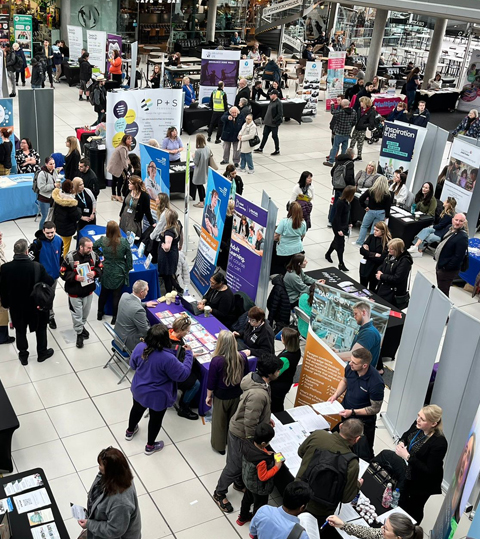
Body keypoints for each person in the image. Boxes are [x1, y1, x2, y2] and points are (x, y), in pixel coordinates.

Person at [213, 354, 283, 513]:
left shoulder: (257, 380)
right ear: (270, 373)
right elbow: (250, 422)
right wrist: (254, 444)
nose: (279, 372)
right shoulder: (258, 394)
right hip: (242, 434)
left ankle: (239, 484)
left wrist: (266, 418)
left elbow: (255, 412)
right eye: (278, 370)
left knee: (240, 463)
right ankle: (219, 492)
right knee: (234, 465)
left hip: (244, 431)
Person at [126, 324, 194, 455]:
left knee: (136, 409)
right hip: (158, 396)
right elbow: (183, 375)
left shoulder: (140, 347)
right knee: (155, 420)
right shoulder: (168, 358)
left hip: (139, 389)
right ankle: (150, 446)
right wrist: (189, 355)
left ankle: (130, 431)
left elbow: (133, 365)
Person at [297, 419, 364, 526]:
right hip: (321, 509)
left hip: (297, 492)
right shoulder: (352, 462)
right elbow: (346, 498)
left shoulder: (318, 435)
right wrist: (357, 485)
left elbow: (301, 452)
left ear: (340, 426)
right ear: (357, 439)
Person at [0, 239, 54, 365]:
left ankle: (23, 356)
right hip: (36, 305)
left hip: (17, 307)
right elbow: (50, 281)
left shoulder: (5, 268)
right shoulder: (36, 266)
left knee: (20, 331)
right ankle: (42, 353)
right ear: (27, 251)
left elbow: (2, 289)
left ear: (14, 252)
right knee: (41, 329)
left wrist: (6, 304)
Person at [394, 405, 448, 523]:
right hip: (410, 472)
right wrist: (402, 442)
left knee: (415, 508)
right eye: (418, 415)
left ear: (433, 424)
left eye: (422, 419)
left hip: (423, 483)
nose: (418, 419)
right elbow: (406, 435)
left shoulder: (439, 443)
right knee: (403, 499)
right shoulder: (418, 424)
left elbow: (429, 470)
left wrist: (407, 456)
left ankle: (413, 529)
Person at [329, 347, 385, 458]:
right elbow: (345, 381)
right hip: (347, 413)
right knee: (343, 442)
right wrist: (336, 395)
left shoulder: (376, 383)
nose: (350, 364)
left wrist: (353, 412)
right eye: (350, 360)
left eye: (354, 363)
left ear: (364, 365)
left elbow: (375, 408)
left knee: (363, 450)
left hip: (363, 422)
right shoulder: (350, 368)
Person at [78, 447, 141, 538]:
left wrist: (90, 524)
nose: (99, 467)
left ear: (111, 471)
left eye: (101, 465)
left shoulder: (121, 502)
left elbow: (114, 530)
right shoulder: (117, 476)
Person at [207, 330, 250, 454]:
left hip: (221, 396)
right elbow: (246, 376)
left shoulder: (216, 361)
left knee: (219, 423)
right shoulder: (242, 357)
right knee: (234, 421)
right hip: (237, 394)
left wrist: (208, 397)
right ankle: (232, 443)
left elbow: (211, 382)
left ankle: (219, 446)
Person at [60, 237, 103, 348]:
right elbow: (62, 273)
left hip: (88, 292)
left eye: (91, 247)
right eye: (88, 248)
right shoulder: (70, 257)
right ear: (81, 247)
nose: (91, 249)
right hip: (74, 293)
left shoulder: (94, 256)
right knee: (77, 315)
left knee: (85, 314)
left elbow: (101, 268)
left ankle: (81, 326)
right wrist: (75, 277)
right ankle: (79, 334)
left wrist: (94, 273)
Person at [237, 423, 282, 526]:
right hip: (259, 488)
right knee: (259, 507)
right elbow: (263, 476)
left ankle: (242, 518)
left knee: (247, 500)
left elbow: (258, 450)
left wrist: (266, 452)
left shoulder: (248, 443)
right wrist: (277, 466)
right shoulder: (261, 461)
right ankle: (256, 527)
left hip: (248, 481)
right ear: (263, 443)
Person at [93, 221, 133, 323]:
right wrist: (127, 268)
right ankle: (115, 318)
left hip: (106, 270)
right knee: (116, 295)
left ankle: (99, 313)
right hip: (119, 271)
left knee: (103, 293)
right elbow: (129, 258)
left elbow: (93, 247)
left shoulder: (103, 240)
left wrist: (101, 254)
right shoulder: (124, 242)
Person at [28, 221, 64, 330]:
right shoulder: (37, 244)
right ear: (43, 231)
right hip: (42, 277)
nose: (50, 235)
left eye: (52, 232)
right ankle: (45, 316)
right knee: (40, 297)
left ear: (55, 230)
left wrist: (61, 270)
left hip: (54, 276)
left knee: (50, 297)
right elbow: (30, 261)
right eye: (47, 233)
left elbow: (61, 256)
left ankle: (50, 315)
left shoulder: (59, 240)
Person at [169, 315, 201, 420]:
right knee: (196, 384)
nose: (187, 333)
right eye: (187, 331)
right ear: (181, 330)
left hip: (169, 370)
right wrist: (190, 356)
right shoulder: (175, 346)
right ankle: (184, 408)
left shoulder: (168, 334)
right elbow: (180, 366)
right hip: (172, 375)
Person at [337, 301, 382, 370]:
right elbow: (354, 349)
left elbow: (353, 355)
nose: (354, 317)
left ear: (363, 312)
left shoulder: (369, 333)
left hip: (361, 377)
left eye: (356, 314)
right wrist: (339, 351)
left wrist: (330, 354)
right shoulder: (364, 330)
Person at [115, 280, 156, 351]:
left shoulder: (124, 295)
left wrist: (145, 304)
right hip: (129, 341)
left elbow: (131, 303)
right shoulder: (138, 311)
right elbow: (146, 331)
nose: (147, 292)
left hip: (118, 334)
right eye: (147, 291)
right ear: (142, 292)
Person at [435, 213, 469, 298]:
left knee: (443, 293)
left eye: (460, 221)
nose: (457, 223)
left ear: (464, 223)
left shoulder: (462, 237)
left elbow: (458, 257)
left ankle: (442, 309)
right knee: (440, 288)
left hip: (447, 270)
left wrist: (446, 267)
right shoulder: (449, 228)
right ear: (452, 220)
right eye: (456, 220)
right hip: (441, 265)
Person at [270, 327, 301, 412]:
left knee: (275, 407)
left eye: (282, 336)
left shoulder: (286, 358)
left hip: (278, 386)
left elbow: (276, 373)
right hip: (286, 382)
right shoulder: (296, 350)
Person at [326, 185, 356, 271]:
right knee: (340, 245)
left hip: (344, 225)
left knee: (336, 241)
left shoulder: (348, 202)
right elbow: (337, 217)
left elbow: (348, 213)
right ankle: (341, 263)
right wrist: (339, 229)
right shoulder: (340, 203)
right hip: (338, 226)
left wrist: (350, 222)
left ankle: (328, 254)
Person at [375, 238, 413, 307]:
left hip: (392, 293)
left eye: (391, 249)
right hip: (383, 287)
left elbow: (397, 278)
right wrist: (379, 270)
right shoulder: (391, 255)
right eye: (389, 248)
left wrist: (382, 276)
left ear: (397, 250)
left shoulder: (405, 261)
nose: (389, 250)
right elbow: (383, 264)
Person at [327, 512, 424, 539]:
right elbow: (368, 532)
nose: (381, 528)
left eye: (386, 529)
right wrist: (343, 525)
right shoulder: (384, 536)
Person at [355, 176, 391, 246]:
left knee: (364, 226)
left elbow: (361, 199)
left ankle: (360, 242)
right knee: (375, 229)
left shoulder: (370, 190)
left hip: (370, 211)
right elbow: (388, 207)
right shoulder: (387, 194)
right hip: (381, 213)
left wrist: (365, 207)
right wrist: (387, 216)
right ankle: (370, 244)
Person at [51, 179, 82, 257]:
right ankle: (63, 262)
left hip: (58, 225)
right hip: (67, 229)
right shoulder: (71, 203)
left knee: (58, 244)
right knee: (65, 247)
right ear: (71, 189)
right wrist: (79, 210)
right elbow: (76, 216)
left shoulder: (58, 196)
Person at [275, 202, 307, 274]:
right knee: (294, 267)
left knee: (281, 267)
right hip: (297, 249)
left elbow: (276, 235)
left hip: (284, 250)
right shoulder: (303, 223)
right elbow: (302, 236)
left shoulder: (284, 222)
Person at [359, 221, 391, 291]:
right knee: (362, 287)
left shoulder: (387, 242)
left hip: (376, 269)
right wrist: (374, 254)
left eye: (377, 230)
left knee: (372, 289)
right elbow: (362, 250)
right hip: (365, 267)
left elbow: (381, 259)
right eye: (374, 229)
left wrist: (368, 253)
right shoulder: (371, 237)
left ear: (382, 231)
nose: (374, 232)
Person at [324, 99, 357, 166]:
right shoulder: (353, 111)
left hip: (339, 132)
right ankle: (342, 162)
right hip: (347, 133)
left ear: (342, 104)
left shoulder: (341, 112)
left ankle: (331, 161)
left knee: (335, 147)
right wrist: (350, 127)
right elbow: (355, 121)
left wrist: (332, 105)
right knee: (344, 148)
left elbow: (333, 112)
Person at [329, 147, 356, 224]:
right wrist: (351, 186)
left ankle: (331, 220)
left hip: (336, 186)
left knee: (335, 203)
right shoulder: (350, 163)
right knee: (343, 205)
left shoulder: (339, 160)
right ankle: (340, 221)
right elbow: (349, 176)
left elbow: (332, 172)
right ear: (352, 155)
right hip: (344, 187)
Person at [156, 208, 181, 293]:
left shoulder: (169, 231)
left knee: (167, 276)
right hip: (174, 253)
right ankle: (178, 288)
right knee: (170, 274)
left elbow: (167, 247)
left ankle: (169, 293)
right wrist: (180, 245)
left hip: (167, 257)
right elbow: (182, 237)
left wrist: (162, 245)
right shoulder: (178, 225)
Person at [254, 90, 283, 156]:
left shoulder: (278, 103)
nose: (269, 95)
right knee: (265, 135)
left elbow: (280, 114)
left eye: (271, 94)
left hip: (273, 124)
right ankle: (261, 148)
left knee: (274, 136)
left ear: (275, 95)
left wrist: (274, 120)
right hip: (267, 123)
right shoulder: (271, 101)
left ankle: (277, 149)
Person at [349, 97, 376, 162]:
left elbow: (371, 123)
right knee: (352, 142)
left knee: (360, 144)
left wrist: (363, 125)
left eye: (362, 102)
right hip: (356, 128)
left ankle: (359, 156)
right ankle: (349, 155)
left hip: (362, 130)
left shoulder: (371, 111)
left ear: (365, 103)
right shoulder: (359, 109)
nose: (360, 103)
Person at [107, 134, 132, 201]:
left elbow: (126, 158)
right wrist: (127, 169)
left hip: (113, 166)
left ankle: (113, 194)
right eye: (128, 139)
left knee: (114, 180)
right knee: (120, 180)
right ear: (125, 140)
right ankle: (118, 195)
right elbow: (124, 159)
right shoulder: (123, 148)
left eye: (131, 139)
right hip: (116, 166)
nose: (130, 140)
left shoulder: (122, 147)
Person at [191, 134, 210, 207]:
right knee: (201, 184)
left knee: (199, 185)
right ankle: (204, 198)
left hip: (199, 170)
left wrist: (193, 157)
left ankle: (201, 201)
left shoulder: (198, 151)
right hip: (205, 169)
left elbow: (196, 162)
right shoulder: (207, 148)